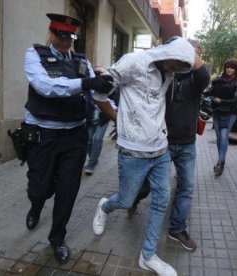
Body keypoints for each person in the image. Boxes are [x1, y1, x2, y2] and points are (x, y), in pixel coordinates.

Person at [91, 37, 199, 276]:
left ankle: (148, 255)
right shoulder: (132, 62)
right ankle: (105, 207)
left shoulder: (170, 72)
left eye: (183, 66)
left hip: (161, 149)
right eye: (177, 62)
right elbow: (99, 95)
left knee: (161, 200)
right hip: (132, 151)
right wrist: (118, 118)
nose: (177, 69)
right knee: (126, 201)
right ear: (168, 52)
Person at [22, 13, 113, 264]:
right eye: (61, 36)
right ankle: (36, 205)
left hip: (74, 134)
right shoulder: (34, 54)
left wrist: (108, 92)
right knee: (39, 187)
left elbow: (96, 91)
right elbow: (45, 86)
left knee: (68, 191)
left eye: (70, 37)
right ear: (51, 34)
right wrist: (86, 83)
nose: (65, 42)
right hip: (43, 133)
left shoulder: (82, 61)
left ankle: (57, 239)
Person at [128, 39, 211, 252]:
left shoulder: (196, 78)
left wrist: (191, 53)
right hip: (161, 141)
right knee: (147, 184)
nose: (193, 58)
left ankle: (176, 228)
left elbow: (205, 75)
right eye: (189, 54)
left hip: (186, 144)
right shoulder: (165, 72)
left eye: (196, 55)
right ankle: (133, 198)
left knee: (186, 186)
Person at [205, 60, 237, 176]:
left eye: (232, 68)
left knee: (223, 135)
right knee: (219, 138)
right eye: (227, 67)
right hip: (217, 112)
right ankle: (222, 159)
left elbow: (235, 101)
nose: (229, 70)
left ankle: (220, 161)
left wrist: (221, 100)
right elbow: (210, 92)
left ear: (236, 70)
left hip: (231, 113)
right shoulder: (218, 80)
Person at [84, 66, 118, 175]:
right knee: (89, 140)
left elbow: (115, 103)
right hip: (90, 119)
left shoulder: (110, 87)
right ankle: (93, 158)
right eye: (96, 72)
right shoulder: (89, 87)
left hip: (103, 118)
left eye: (101, 73)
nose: (99, 75)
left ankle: (92, 164)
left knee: (98, 139)